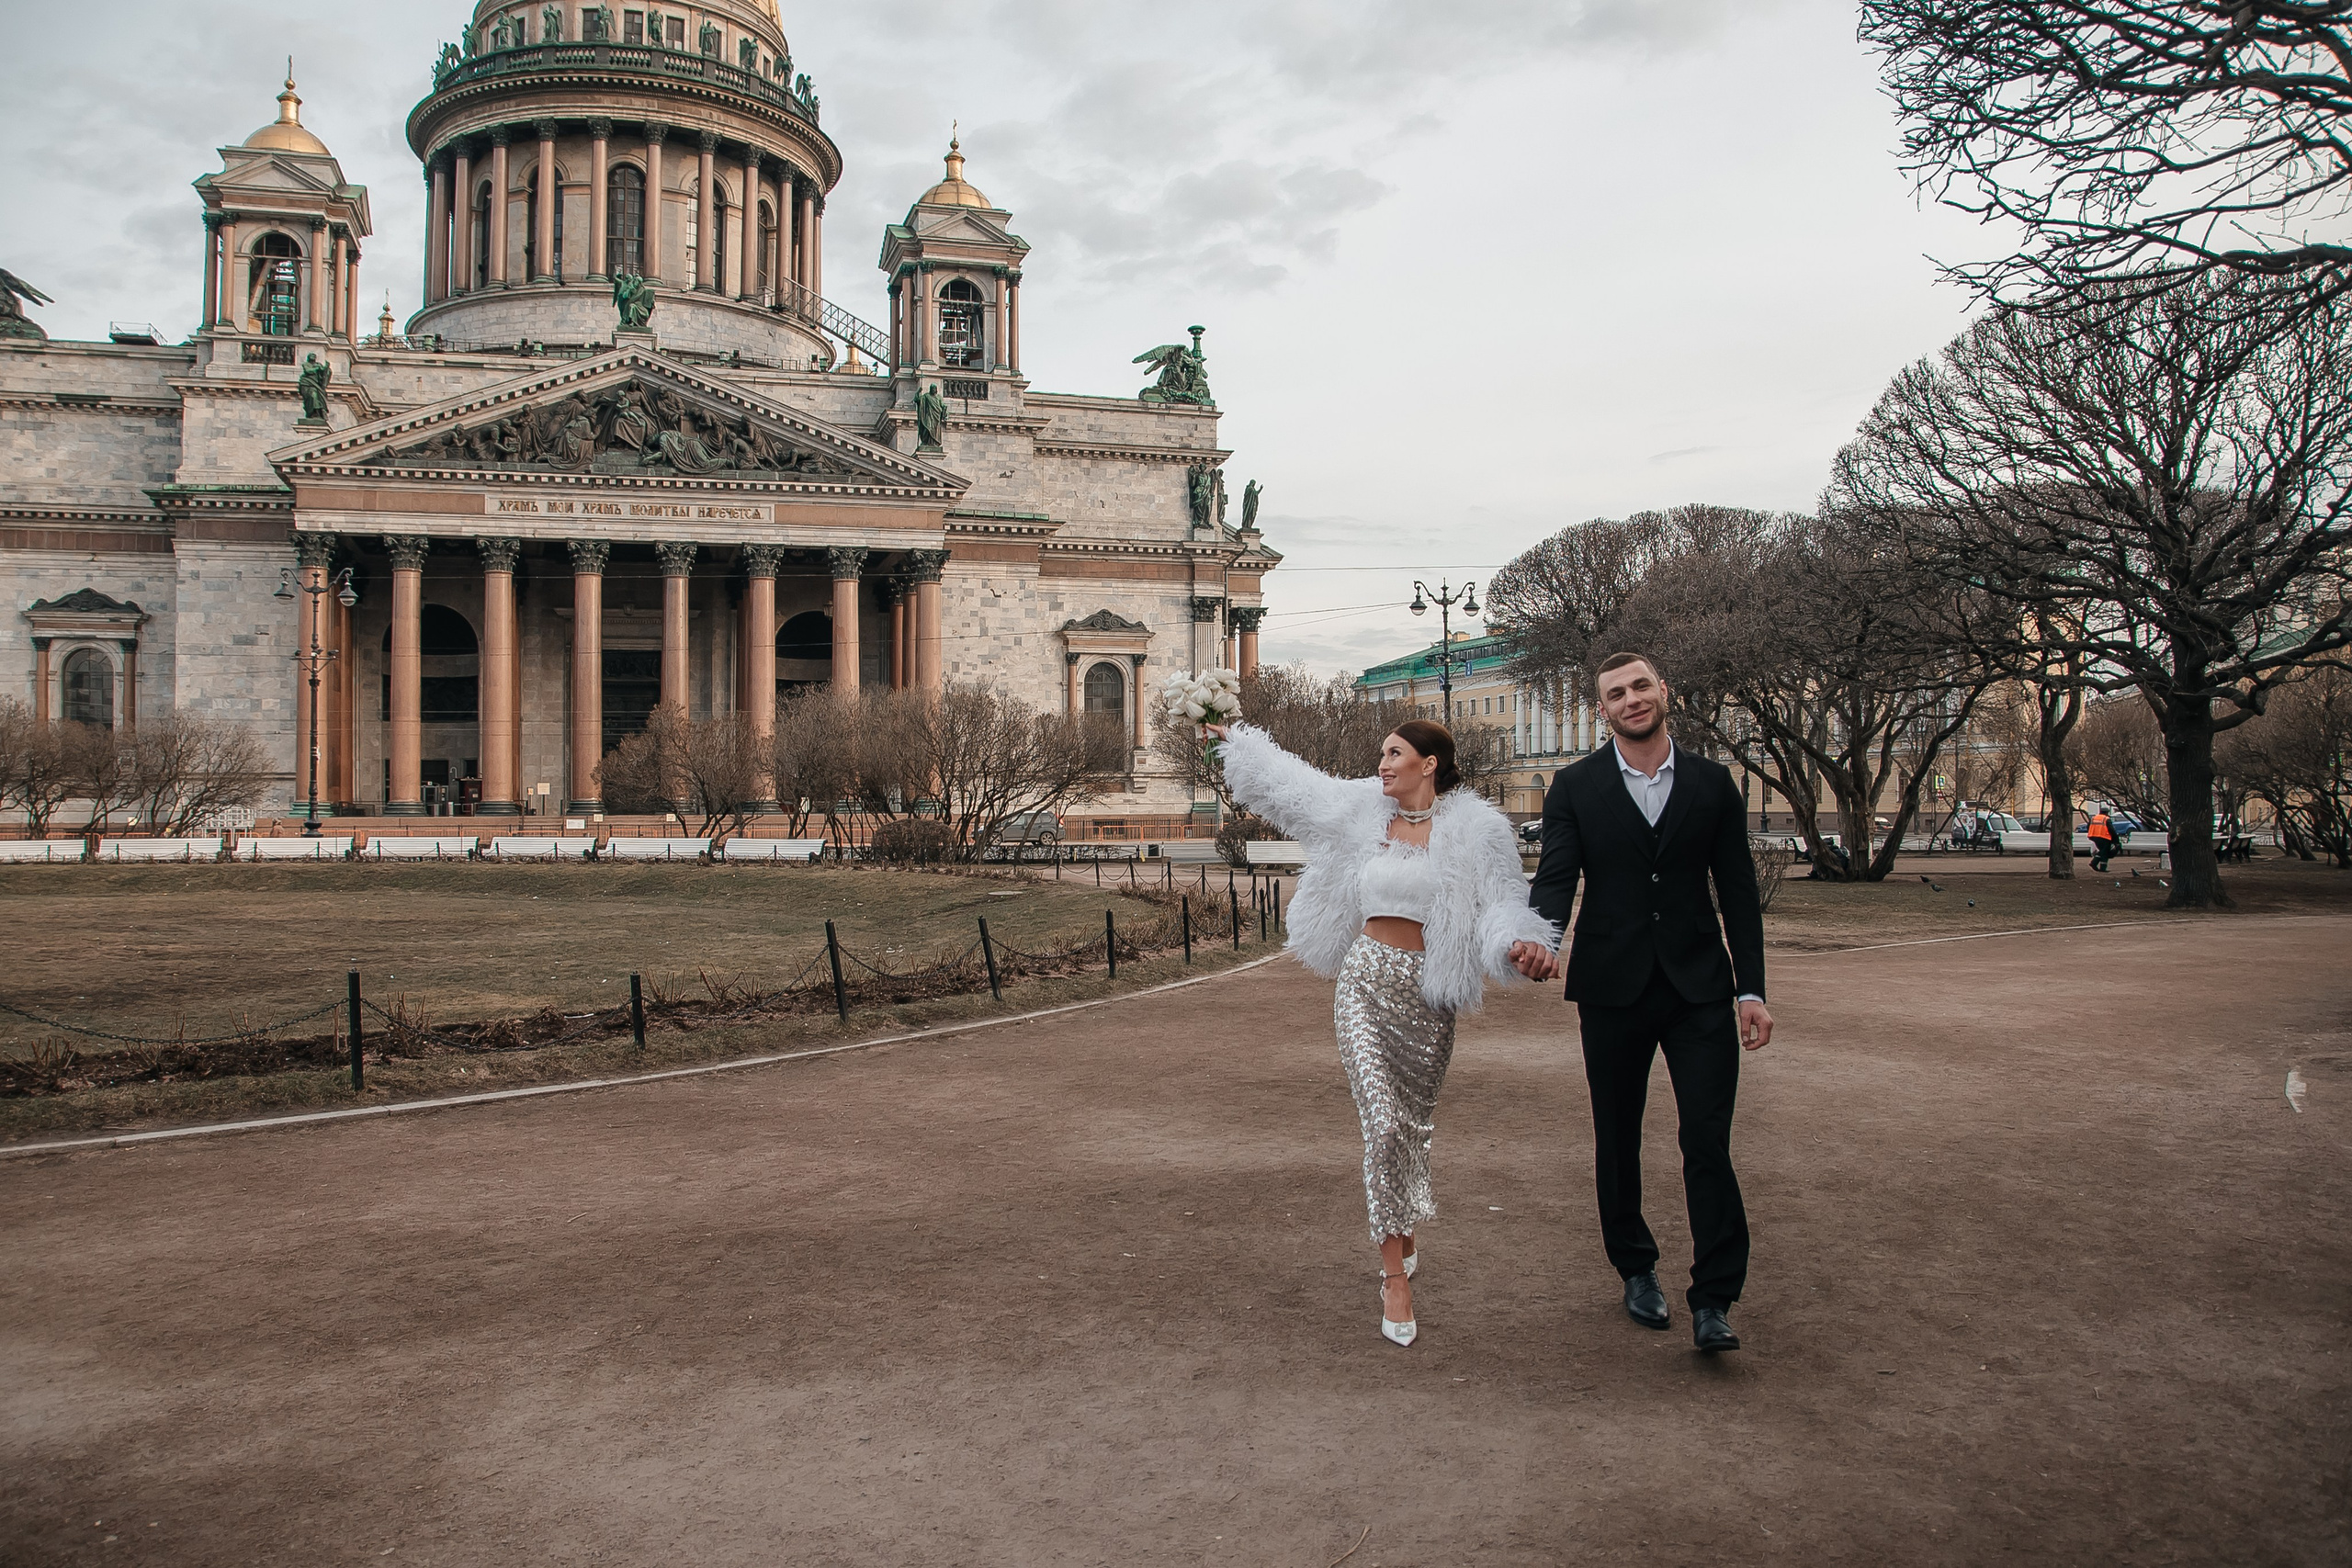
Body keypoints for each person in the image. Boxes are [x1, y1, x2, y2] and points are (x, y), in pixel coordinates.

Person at [1213, 717, 1558, 1348]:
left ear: (1429, 763)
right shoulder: (1363, 811)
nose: (1382, 763)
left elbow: (1504, 902)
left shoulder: (1478, 831)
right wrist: (1237, 742)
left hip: (1427, 997)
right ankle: (1393, 1276)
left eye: (1395, 753)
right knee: (1384, 1122)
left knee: (1412, 1125)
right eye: (1381, 753)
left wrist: (1520, 942)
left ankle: (1403, 1219)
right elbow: (1298, 788)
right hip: (1365, 981)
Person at [1520, 651, 1771, 1355]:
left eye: (1640, 686)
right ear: (1602, 710)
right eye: (1615, 693)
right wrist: (1539, 938)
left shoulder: (1713, 784)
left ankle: (1714, 1297)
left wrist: (1750, 990)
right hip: (1611, 987)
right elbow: (1556, 878)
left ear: (1665, 691)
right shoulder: (1575, 786)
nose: (1630, 699)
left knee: (1707, 1140)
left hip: (1699, 989)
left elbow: (1739, 892)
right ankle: (1636, 1267)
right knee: (1618, 1134)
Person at [2086, 807, 2118, 872]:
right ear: (2107, 812)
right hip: (2104, 837)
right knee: (2105, 852)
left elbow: (2088, 827)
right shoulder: (2106, 819)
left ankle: (2094, 862)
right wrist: (2115, 839)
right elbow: (2111, 830)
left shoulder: (2093, 818)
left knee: (2102, 851)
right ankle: (2102, 867)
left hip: (2094, 837)